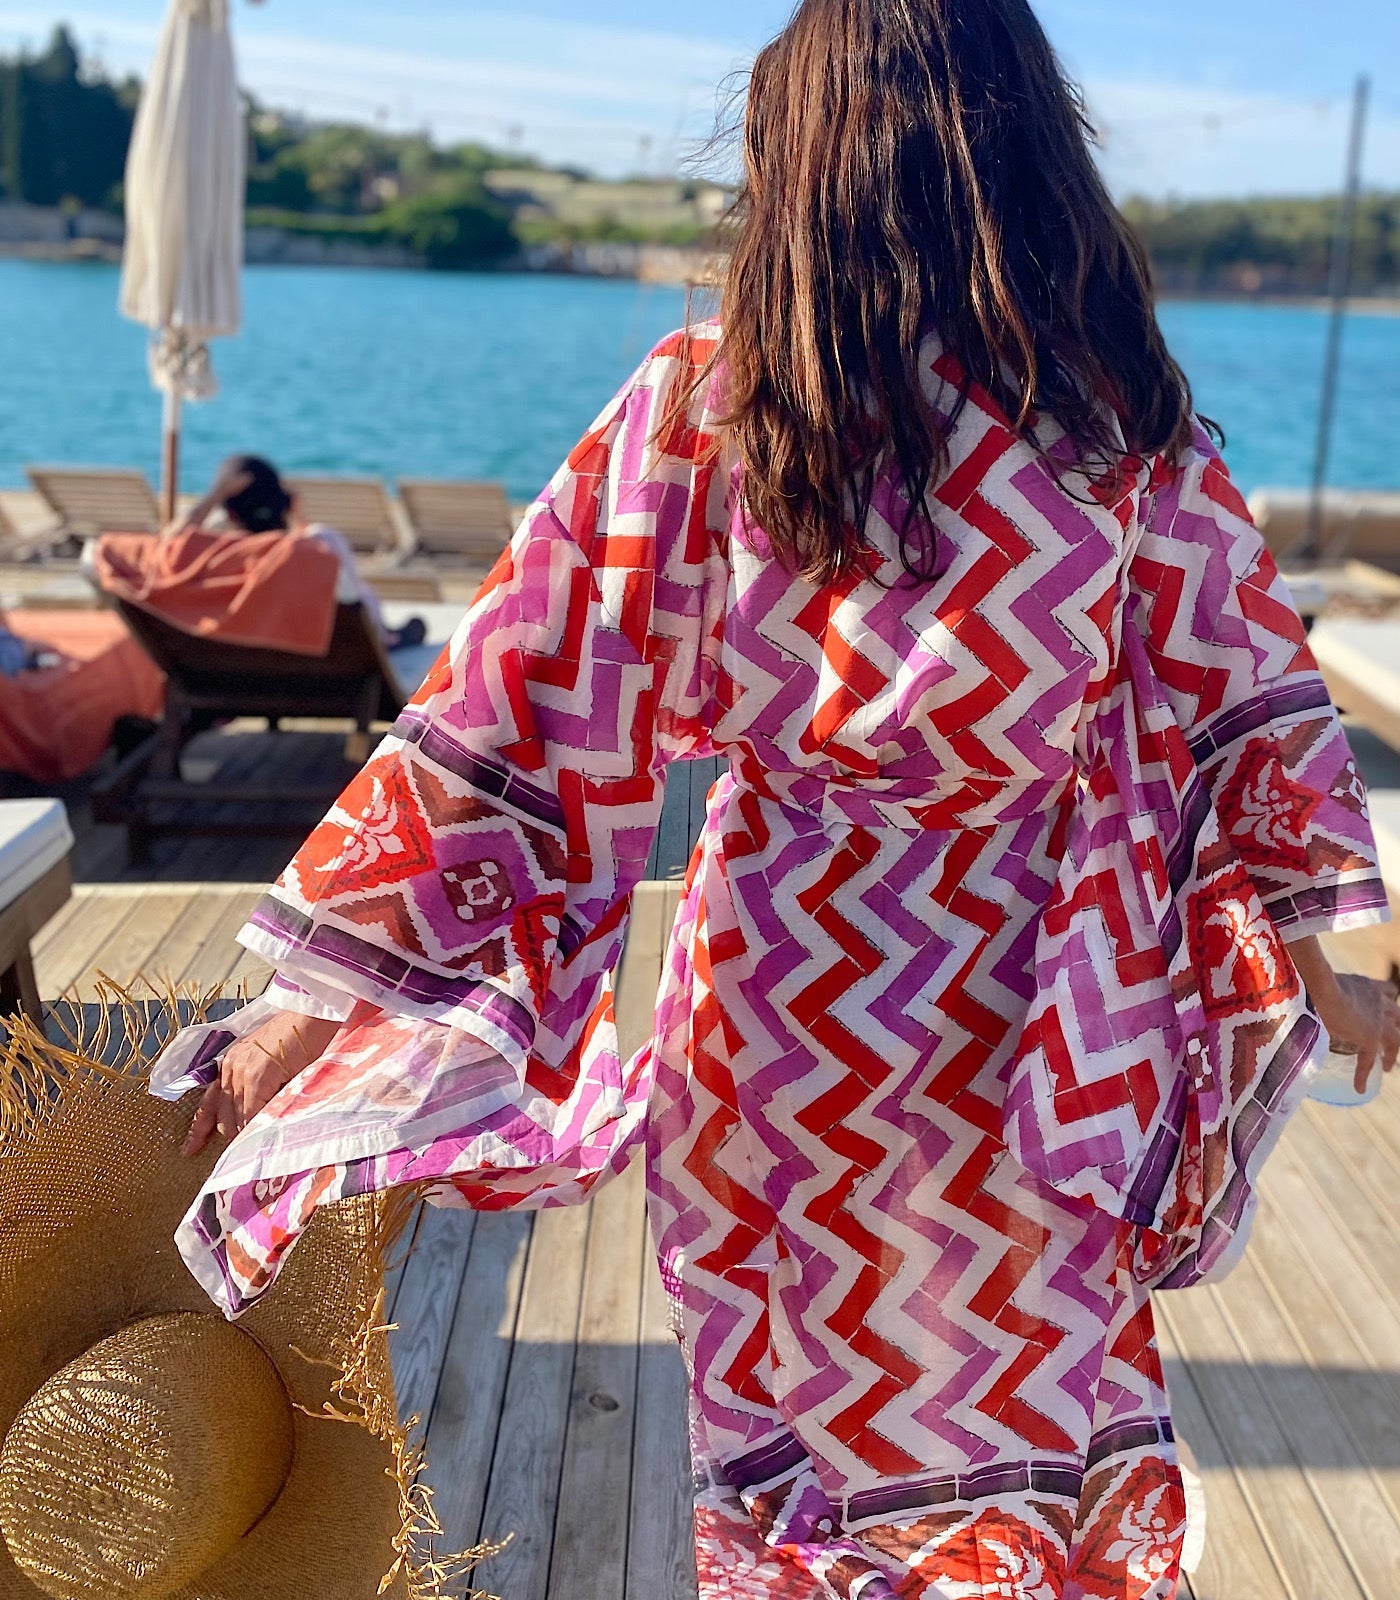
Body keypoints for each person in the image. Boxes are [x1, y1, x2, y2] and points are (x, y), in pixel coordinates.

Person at [157, 2, 1398, 1596]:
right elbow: (1250, 722)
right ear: (1035, 152)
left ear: (798, 165)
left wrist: (302, 1014)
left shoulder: (710, 409)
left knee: (793, 1452)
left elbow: (504, 721)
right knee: (1017, 1413)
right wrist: (1318, 974)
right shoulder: (1122, 436)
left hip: (779, 1011)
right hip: (1029, 1018)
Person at [180, 454, 426, 650]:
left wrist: (217, 493)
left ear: (229, 513)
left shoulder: (211, 558)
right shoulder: (318, 549)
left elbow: (175, 540)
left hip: (236, 672)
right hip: (331, 669)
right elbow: (352, 602)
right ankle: (391, 636)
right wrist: (298, 520)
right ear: (284, 501)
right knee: (365, 596)